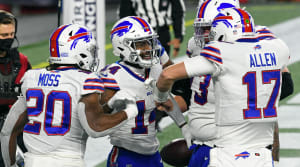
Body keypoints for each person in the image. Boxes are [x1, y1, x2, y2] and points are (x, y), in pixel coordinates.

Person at [154, 7, 290, 167]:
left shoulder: (222, 53)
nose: (208, 36)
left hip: (225, 152)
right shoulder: (278, 48)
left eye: (211, 30)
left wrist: (160, 97)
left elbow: (167, 75)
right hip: (261, 153)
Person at [0, 24, 139, 167]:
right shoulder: (86, 79)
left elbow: (7, 132)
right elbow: (95, 127)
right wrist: (129, 111)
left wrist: (11, 165)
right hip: (69, 162)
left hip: (34, 162)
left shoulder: (32, 78)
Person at [99, 16, 188, 167]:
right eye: (141, 44)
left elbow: (165, 99)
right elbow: (96, 118)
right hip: (126, 155)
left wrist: (183, 125)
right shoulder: (113, 75)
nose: (148, 48)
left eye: (149, 42)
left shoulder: (154, 68)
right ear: (122, 46)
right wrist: (110, 105)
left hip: (152, 155)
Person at [0, 10, 31, 167]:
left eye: (12, 34)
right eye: (4, 36)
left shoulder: (22, 61)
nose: (9, 39)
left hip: (18, 124)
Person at [118, 0, 185, 58]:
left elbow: (178, 10)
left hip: (162, 32)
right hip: (141, 34)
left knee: (163, 65)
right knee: (143, 65)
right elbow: (124, 14)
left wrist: (178, 36)